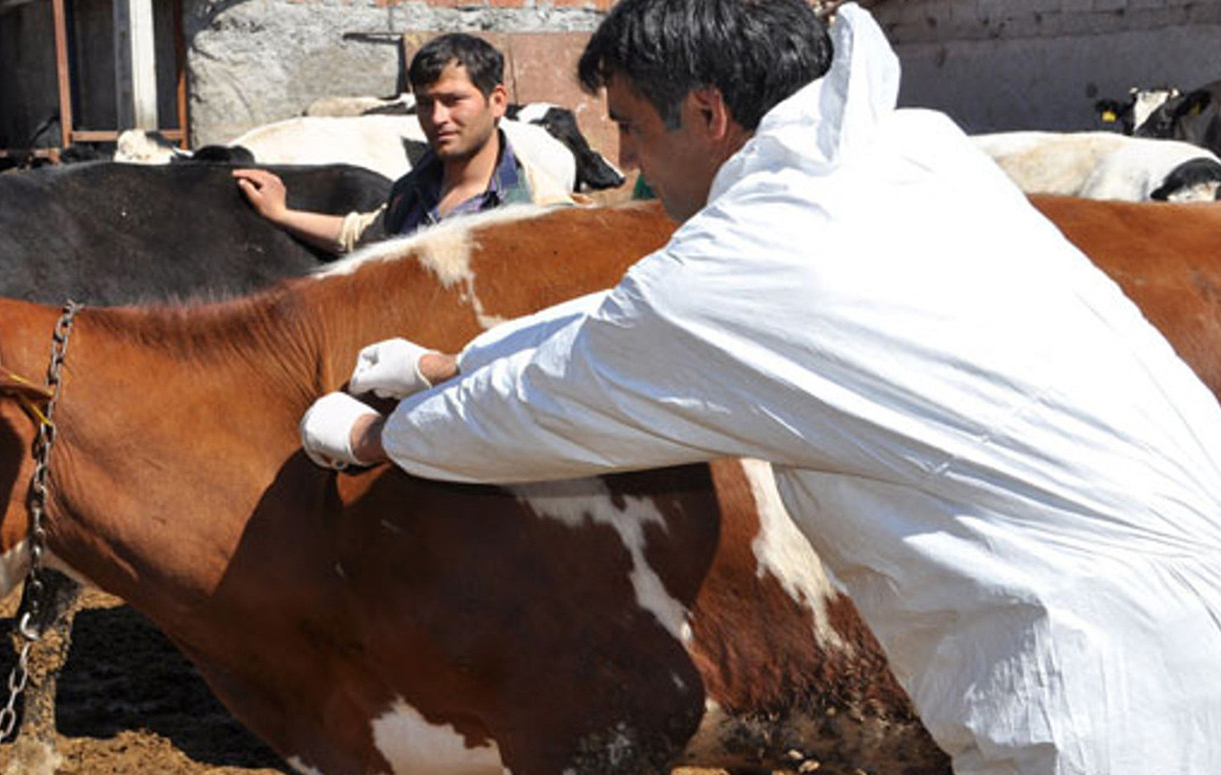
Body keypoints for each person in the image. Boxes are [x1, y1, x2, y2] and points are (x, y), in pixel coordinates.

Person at [297, 1, 1221, 774]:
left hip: (1100, 687)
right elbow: (646, 314)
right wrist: (454, 364)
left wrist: (388, 437)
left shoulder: (755, 264)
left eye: (630, 122)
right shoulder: (900, 154)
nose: (623, 156)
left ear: (707, 114)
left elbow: (576, 390)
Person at [232, 33, 573, 255]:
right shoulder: (413, 191)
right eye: (426, 103)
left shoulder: (541, 212)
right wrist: (280, 213)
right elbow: (361, 234)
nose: (437, 117)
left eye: (453, 100)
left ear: (497, 101)